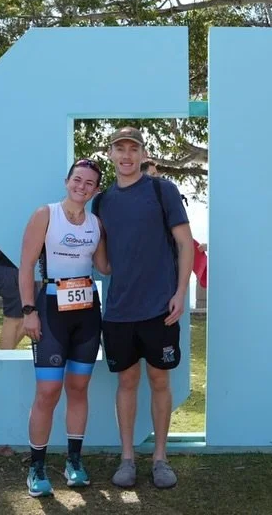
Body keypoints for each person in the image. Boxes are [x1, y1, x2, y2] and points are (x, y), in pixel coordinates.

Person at [93, 126, 194, 489]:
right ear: (110, 154)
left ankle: (161, 459)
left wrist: (181, 292)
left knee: (159, 379)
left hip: (159, 308)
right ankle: (127, 459)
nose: (126, 155)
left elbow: (185, 244)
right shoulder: (102, 201)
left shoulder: (160, 190)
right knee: (127, 381)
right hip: (118, 310)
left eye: (132, 149)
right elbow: (104, 265)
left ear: (142, 154)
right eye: (119, 149)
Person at [18, 158, 110, 497]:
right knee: (47, 392)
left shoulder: (96, 224)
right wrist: (29, 311)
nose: (82, 186)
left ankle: (74, 462)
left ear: (96, 189)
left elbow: (105, 266)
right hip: (51, 308)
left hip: (87, 311)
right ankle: (37, 467)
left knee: (78, 387)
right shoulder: (46, 214)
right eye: (77, 180)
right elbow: (26, 266)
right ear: (67, 181)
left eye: (89, 183)